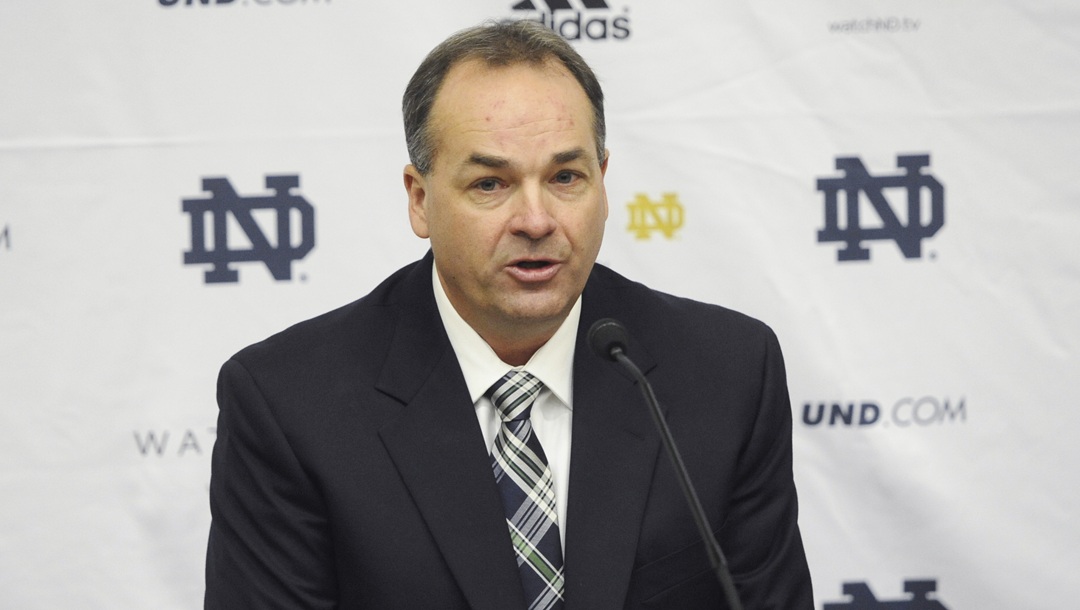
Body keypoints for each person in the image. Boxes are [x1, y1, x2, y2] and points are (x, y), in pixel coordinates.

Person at [204, 20, 813, 610]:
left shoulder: (726, 372)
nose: (537, 221)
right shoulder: (289, 403)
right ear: (420, 200)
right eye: (491, 184)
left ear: (603, 183)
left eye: (566, 177)